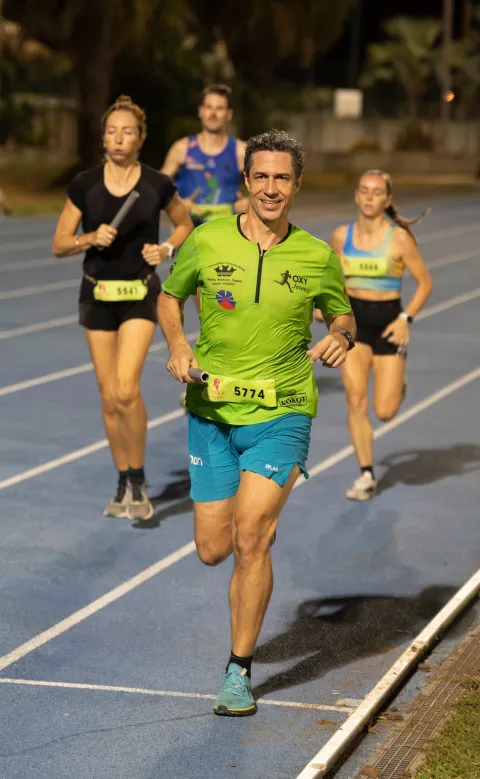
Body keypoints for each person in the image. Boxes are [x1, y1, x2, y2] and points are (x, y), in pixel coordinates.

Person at [158, 129, 356, 716]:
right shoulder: (207, 238)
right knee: (213, 548)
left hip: (283, 410)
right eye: (261, 176)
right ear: (246, 181)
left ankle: (238, 671)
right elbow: (170, 297)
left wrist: (341, 337)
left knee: (252, 536)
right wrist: (176, 344)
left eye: (282, 178)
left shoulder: (316, 254)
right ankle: (253, 527)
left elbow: (341, 313)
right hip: (212, 411)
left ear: (298, 184)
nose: (271, 188)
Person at [52, 95, 193, 520]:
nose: (118, 138)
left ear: (141, 137)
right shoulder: (85, 184)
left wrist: (166, 247)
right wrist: (88, 238)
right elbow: (59, 242)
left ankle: (137, 475)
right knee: (108, 395)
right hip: (96, 294)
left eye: (127, 131)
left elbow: (184, 223)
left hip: (139, 293)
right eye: (111, 130)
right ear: (103, 137)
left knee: (127, 388)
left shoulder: (155, 184)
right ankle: (123, 480)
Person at [331, 169, 432, 501]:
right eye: (364, 190)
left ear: (387, 199)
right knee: (355, 399)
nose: (370, 197)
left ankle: (397, 386)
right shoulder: (340, 236)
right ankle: (366, 474)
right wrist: (326, 308)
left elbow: (425, 284)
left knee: (385, 411)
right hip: (354, 327)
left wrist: (405, 319)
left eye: (377, 192)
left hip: (389, 325)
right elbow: (331, 284)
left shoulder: (400, 239)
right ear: (356, 195)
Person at [160, 84, 248, 313]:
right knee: (190, 305)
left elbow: (261, 193)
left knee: (222, 309)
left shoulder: (240, 151)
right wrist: (177, 203)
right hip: (191, 239)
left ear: (228, 114)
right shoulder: (182, 149)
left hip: (227, 240)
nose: (213, 113)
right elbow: (157, 189)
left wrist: (241, 204)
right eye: (208, 107)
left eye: (219, 108)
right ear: (200, 111)